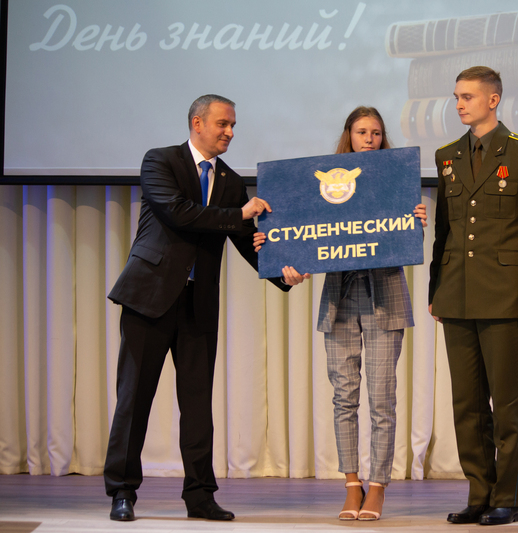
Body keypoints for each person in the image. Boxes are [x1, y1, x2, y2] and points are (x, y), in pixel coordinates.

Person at [104, 94, 309, 522]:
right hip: (149, 297)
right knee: (134, 398)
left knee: (198, 406)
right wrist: (238, 214)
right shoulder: (160, 161)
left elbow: (248, 241)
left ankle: (200, 496)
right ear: (197, 123)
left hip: (197, 305)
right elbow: (179, 213)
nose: (230, 132)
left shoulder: (231, 182)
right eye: (222, 124)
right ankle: (122, 491)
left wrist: (282, 273)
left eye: (233, 125)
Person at [254, 106, 427, 521]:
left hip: (386, 296)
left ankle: (378, 486)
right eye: (362, 132)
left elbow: (404, 239)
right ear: (348, 135)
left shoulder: (394, 183)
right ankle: (352, 484)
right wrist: (275, 248)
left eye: (376, 133)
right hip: (340, 298)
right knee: (343, 396)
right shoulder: (324, 185)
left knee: (382, 398)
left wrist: (415, 222)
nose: (369, 139)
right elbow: (304, 234)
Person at [428, 67, 518, 526]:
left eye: (468, 97)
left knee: (507, 404)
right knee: (467, 405)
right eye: (456, 97)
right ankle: (478, 493)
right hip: (456, 293)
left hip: (504, 295)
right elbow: (444, 230)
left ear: (493, 99)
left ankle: (506, 498)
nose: (459, 104)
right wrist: (436, 289)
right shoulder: (447, 155)